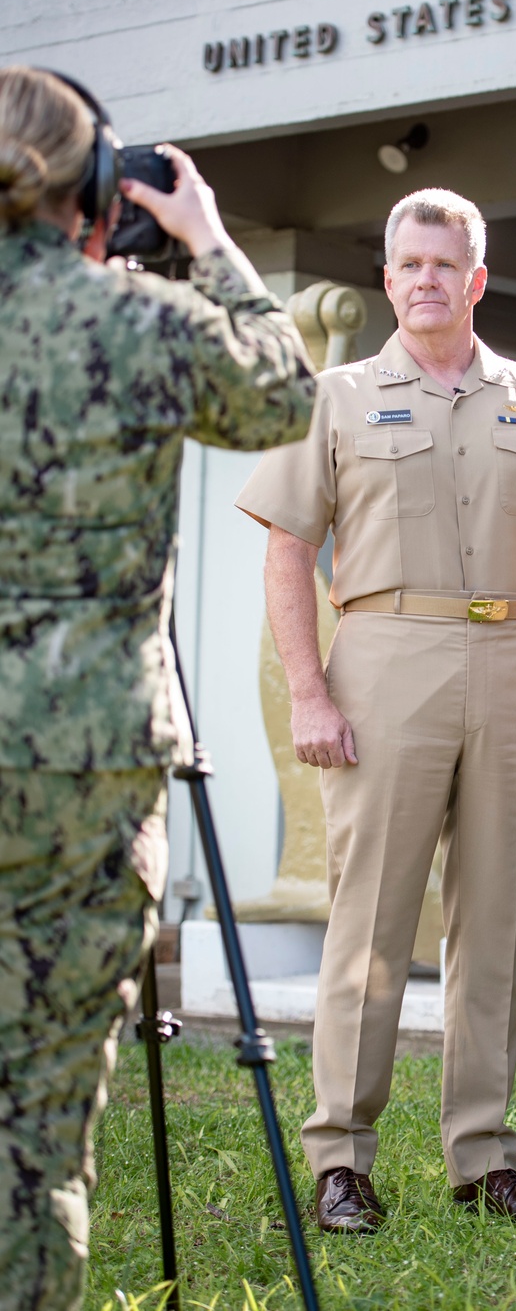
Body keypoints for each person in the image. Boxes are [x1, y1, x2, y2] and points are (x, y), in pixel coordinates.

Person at [237, 187, 516, 1231]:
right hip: (385, 661)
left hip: (512, 659)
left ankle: (482, 1156)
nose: (421, 280)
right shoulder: (339, 397)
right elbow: (285, 552)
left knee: (495, 919)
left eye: (441, 264)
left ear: (475, 278)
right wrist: (310, 689)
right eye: (405, 264)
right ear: (388, 276)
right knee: (370, 918)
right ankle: (341, 1158)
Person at [0, 65, 316, 1311]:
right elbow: (283, 390)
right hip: (81, 773)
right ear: (93, 187)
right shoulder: (134, 322)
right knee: (34, 1116)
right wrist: (212, 243)